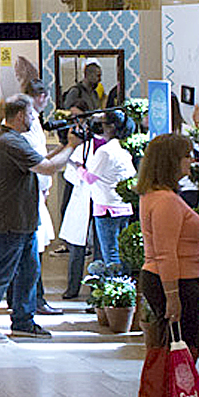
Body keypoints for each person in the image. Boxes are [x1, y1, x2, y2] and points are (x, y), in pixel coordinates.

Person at [0, 97, 79, 341]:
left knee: (30, 271)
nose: (33, 119)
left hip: (24, 221)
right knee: (2, 274)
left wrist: (66, 147)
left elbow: (44, 160)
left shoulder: (15, 139)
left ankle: (23, 321)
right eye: (31, 115)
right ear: (20, 115)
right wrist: (71, 146)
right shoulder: (10, 142)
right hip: (8, 222)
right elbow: (48, 167)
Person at [134, 132, 199, 397]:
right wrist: (174, 296)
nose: (191, 161)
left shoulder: (159, 195)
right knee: (178, 350)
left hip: (174, 280)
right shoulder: (164, 201)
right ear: (171, 161)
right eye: (187, 155)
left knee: (170, 349)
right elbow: (165, 253)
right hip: (174, 282)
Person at [58, 112, 138, 300]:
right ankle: (86, 289)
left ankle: (109, 296)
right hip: (110, 204)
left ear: (110, 127)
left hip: (106, 205)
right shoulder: (116, 148)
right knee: (107, 250)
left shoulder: (107, 150)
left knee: (109, 252)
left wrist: (78, 167)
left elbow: (89, 177)